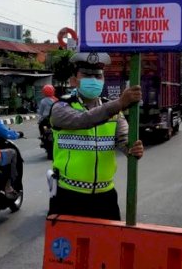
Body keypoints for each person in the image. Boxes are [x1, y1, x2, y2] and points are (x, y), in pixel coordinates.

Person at [47, 52, 144, 220]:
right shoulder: (61, 107)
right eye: (86, 75)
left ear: (103, 80)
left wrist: (132, 148)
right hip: (69, 196)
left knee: (108, 246)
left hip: (105, 197)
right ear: (74, 80)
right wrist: (120, 103)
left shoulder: (113, 110)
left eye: (98, 76)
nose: (93, 80)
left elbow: (123, 139)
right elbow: (83, 120)